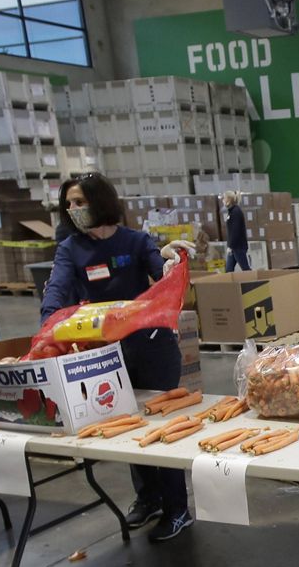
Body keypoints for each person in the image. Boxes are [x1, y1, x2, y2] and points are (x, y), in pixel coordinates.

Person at [40, 173, 196, 543]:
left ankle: (178, 508)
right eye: (69, 204)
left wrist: (172, 266)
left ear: (101, 202)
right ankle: (148, 498)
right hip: (106, 353)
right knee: (126, 426)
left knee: (160, 430)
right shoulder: (71, 248)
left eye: (80, 202)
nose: (73, 209)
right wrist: (46, 329)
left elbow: (162, 281)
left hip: (152, 347)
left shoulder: (136, 241)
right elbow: (58, 289)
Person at [223, 191, 249, 271]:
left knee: (245, 269)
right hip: (234, 247)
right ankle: (229, 283)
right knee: (228, 269)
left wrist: (230, 246)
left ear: (228, 200)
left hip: (238, 247)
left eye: (224, 198)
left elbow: (235, 231)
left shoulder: (236, 212)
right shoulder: (231, 211)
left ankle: (255, 281)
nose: (223, 200)